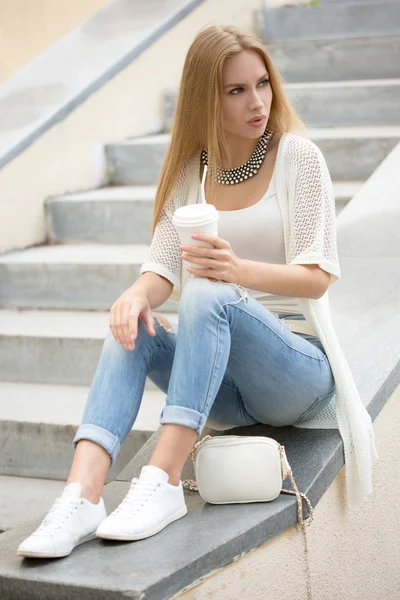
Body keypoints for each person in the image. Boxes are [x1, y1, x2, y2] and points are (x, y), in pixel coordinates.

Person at [17, 24, 377, 559]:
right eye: (236, 91)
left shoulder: (298, 158)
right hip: (222, 384)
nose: (257, 102)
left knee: (207, 293)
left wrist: (238, 271)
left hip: (296, 371)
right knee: (133, 328)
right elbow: (161, 266)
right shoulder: (193, 174)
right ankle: (82, 495)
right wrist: (137, 294)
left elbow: (317, 276)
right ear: (205, 99)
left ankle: (162, 482)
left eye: (261, 84)